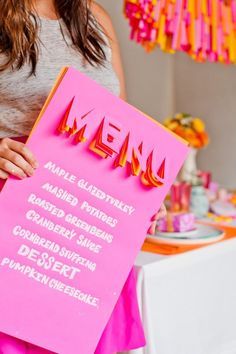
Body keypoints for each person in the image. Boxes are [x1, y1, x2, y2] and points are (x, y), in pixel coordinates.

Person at [0, 1, 166, 353]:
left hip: (87, 222)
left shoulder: (94, 16)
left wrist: (142, 190)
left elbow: (121, 122)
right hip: (18, 216)